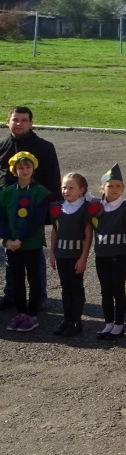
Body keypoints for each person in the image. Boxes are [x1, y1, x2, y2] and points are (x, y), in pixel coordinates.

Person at [0, 106, 61, 309]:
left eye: (24, 120)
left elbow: (53, 179)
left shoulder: (44, 147)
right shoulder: (2, 146)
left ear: (31, 123)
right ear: (7, 121)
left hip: (35, 208)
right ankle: (12, 294)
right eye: (15, 119)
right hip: (8, 206)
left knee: (33, 252)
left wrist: (51, 211)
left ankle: (39, 295)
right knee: (11, 251)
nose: (19, 123)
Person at [0, 152, 49, 332]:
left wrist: (20, 239)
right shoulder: (7, 192)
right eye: (21, 167)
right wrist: (7, 240)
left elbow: (37, 220)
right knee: (17, 278)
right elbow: (2, 218)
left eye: (28, 167)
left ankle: (32, 314)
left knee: (34, 278)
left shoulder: (40, 192)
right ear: (14, 170)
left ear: (33, 169)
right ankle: (20, 312)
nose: (25, 170)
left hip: (31, 243)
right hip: (12, 245)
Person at [49, 172, 93, 337]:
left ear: (81, 190)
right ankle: (67, 319)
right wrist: (52, 253)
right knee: (65, 287)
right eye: (64, 187)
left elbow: (88, 235)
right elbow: (55, 231)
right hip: (61, 254)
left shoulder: (85, 208)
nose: (66, 191)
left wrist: (83, 258)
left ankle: (76, 320)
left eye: (71, 188)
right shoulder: (57, 207)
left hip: (75, 255)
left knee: (75, 287)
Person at [92, 164, 126, 341]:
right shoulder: (96, 207)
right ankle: (108, 322)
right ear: (102, 188)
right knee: (105, 290)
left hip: (119, 255)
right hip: (101, 254)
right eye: (110, 186)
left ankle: (119, 324)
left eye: (118, 186)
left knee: (118, 288)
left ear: (123, 188)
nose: (114, 189)